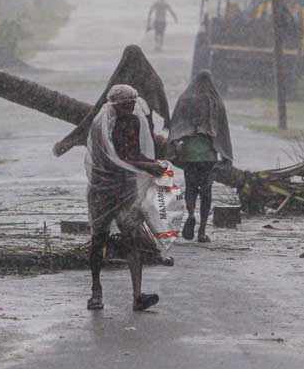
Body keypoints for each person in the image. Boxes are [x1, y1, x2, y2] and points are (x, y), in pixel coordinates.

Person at [86, 84, 167, 311]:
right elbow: (115, 158)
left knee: (131, 238)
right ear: (115, 105)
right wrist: (148, 167)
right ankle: (96, 291)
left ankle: (137, 295)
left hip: (126, 188)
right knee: (99, 239)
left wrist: (152, 164)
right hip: (103, 189)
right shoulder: (101, 125)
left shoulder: (133, 121)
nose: (131, 108)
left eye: (133, 104)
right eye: (126, 105)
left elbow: (133, 153)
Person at [168, 71, 233, 243]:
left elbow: (176, 124)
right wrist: (225, 153)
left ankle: (190, 214)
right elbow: (222, 130)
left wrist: (175, 144)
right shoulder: (215, 101)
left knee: (190, 187)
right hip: (208, 154)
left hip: (189, 152)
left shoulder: (185, 100)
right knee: (206, 191)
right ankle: (202, 230)